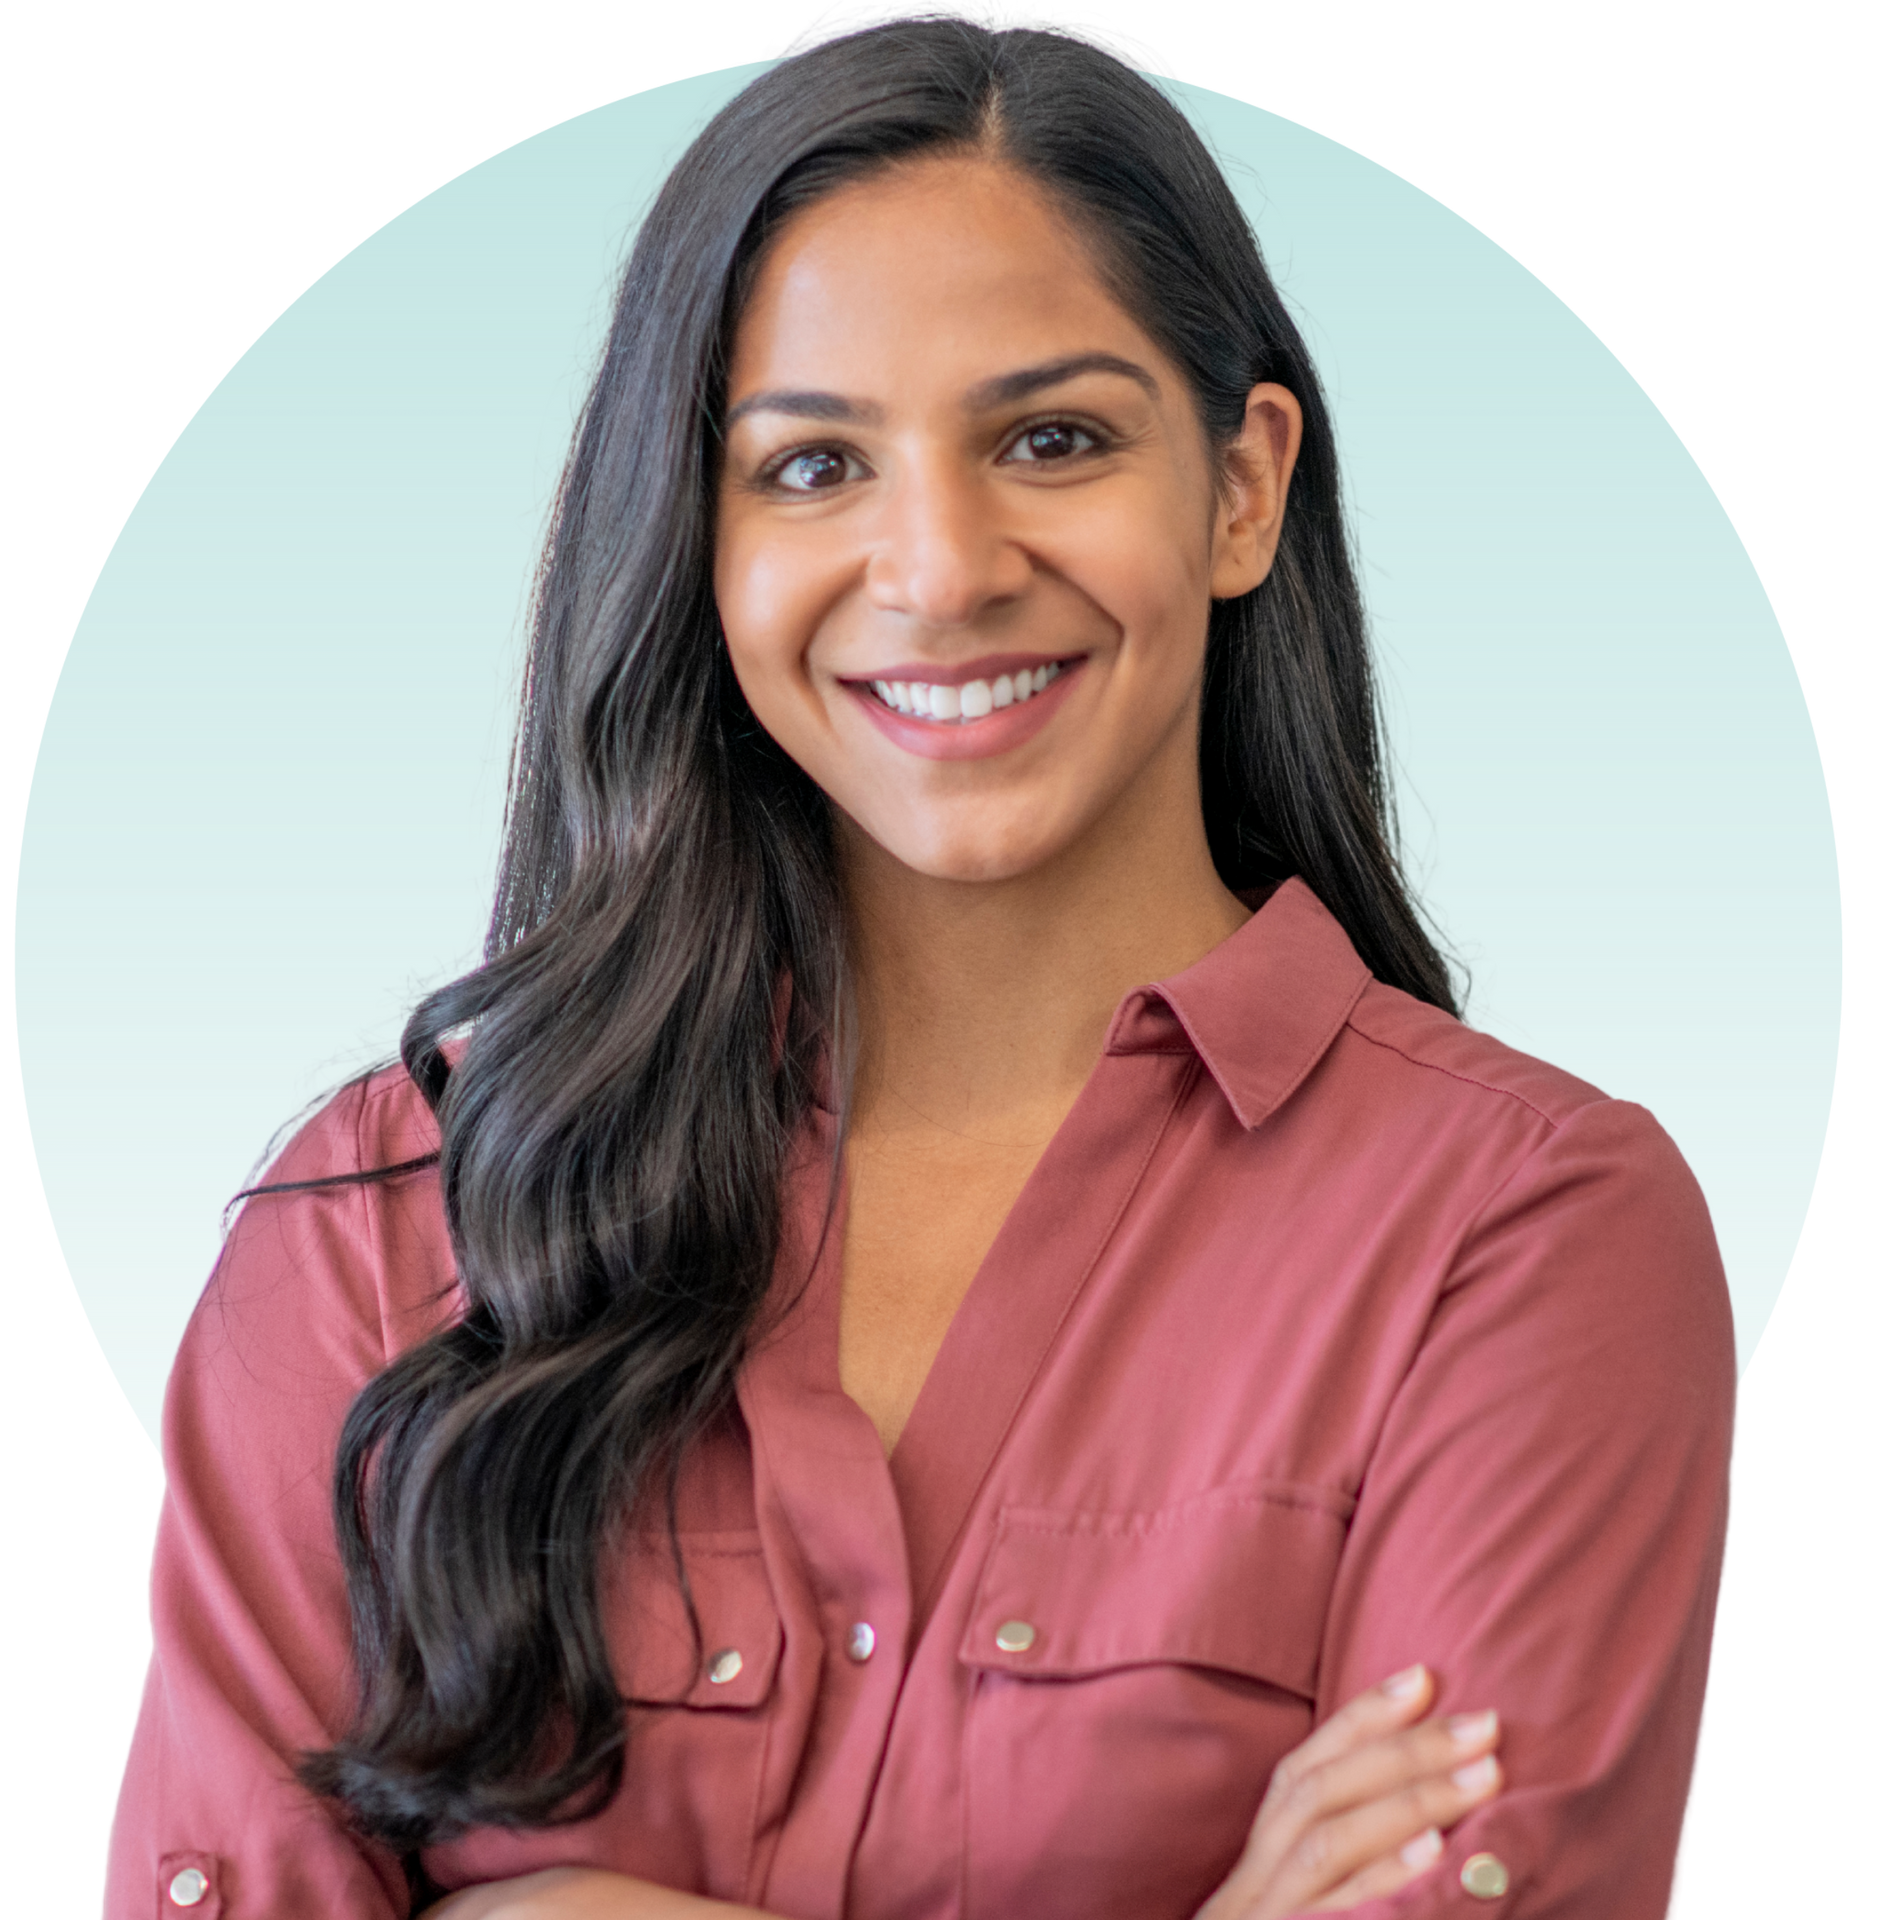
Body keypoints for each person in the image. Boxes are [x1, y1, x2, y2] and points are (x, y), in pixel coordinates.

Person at [99, 7, 1739, 1916]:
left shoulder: (1529, 1237)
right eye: (812, 469)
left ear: (1240, 488)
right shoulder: (369, 1226)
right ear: (695, 536)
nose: (940, 566)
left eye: (1052, 438)